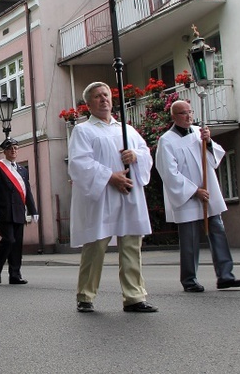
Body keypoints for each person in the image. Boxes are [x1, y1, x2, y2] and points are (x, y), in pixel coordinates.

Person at [69, 82, 158, 313]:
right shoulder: (83, 130)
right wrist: (110, 177)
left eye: (106, 95)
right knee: (96, 246)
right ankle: (85, 295)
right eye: (98, 97)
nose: (104, 99)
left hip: (128, 192)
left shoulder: (126, 129)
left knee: (130, 245)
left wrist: (135, 156)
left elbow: (145, 153)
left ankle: (134, 296)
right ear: (88, 104)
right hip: (102, 195)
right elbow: (80, 163)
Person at [156, 100, 240, 292]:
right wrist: (193, 191)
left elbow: (214, 160)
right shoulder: (167, 140)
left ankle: (225, 275)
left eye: (190, 112)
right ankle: (189, 280)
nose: (188, 116)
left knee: (218, 231)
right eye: (183, 113)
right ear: (174, 117)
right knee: (189, 239)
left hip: (208, 192)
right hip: (188, 197)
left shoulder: (199, 132)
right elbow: (168, 172)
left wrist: (209, 143)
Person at [0, 137, 39, 285]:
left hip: (18, 211)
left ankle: (15, 275)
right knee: (8, 240)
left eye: (16, 148)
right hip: (3, 212)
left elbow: (27, 191)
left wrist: (33, 210)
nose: (13, 151)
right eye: (10, 149)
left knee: (17, 244)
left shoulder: (22, 170)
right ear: (5, 151)